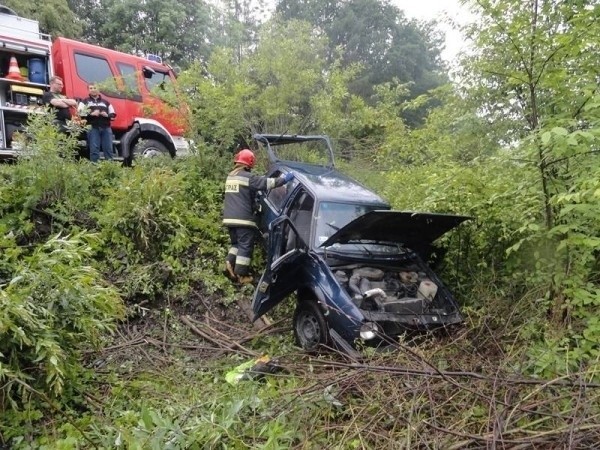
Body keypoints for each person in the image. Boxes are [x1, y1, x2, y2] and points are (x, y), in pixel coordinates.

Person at [223, 149, 295, 284]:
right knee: (245, 246)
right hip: (243, 219)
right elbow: (267, 184)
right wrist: (284, 179)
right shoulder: (248, 177)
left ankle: (229, 264)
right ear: (249, 163)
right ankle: (241, 276)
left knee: (236, 244)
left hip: (229, 218)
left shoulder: (231, 176)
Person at [78, 83, 116, 162]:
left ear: (98, 90)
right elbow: (80, 113)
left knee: (108, 149)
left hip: (106, 128)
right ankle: (94, 170)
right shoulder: (85, 101)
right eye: (91, 88)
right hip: (92, 128)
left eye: (94, 88)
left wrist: (107, 115)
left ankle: (110, 170)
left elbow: (113, 115)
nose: (93, 90)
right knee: (94, 150)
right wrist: (91, 114)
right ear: (88, 90)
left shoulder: (106, 102)